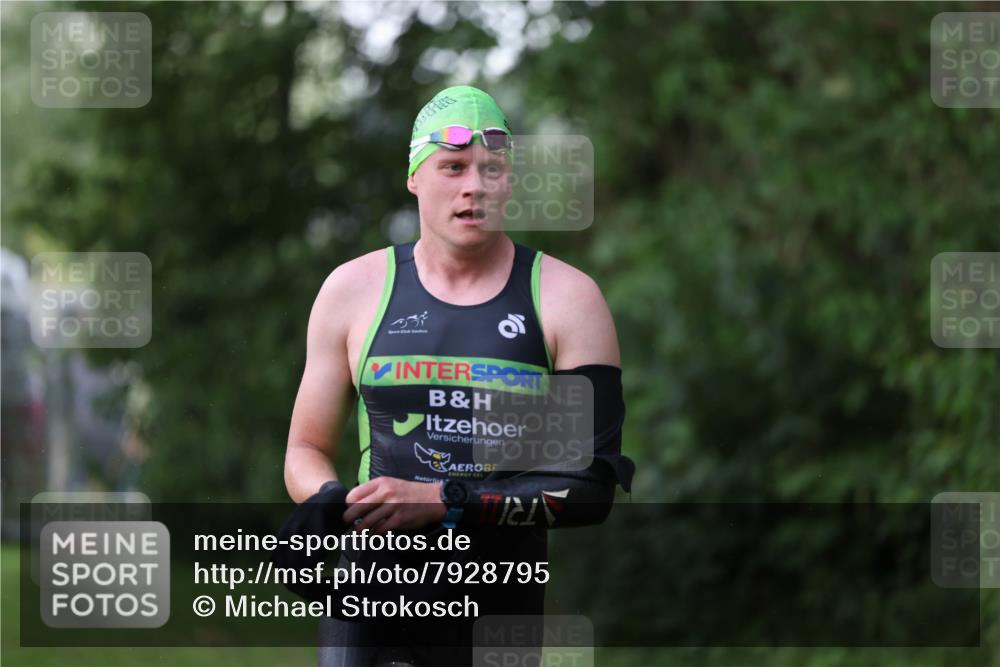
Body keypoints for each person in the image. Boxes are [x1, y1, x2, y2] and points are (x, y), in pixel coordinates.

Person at [283, 85, 634, 667]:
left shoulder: (566, 299)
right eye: (453, 167)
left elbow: (587, 491)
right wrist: (327, 499)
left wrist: (443, 501)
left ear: (510, 183)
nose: (475, 186)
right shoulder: (353, 290)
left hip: (498, 601)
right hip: (372, 593)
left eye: (492, 168)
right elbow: (305, 448)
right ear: (414, 177)